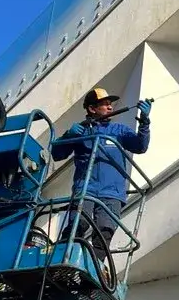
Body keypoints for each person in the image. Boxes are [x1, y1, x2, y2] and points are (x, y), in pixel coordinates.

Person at [50, 87, 152, 266]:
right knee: (78, 225)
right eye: (105, 104)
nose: (110, 107)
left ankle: (93, 268)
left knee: (105, 231)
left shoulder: (118, 130)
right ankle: (61, 261)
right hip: (86, 189)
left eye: (110, 104)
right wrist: (68, 135)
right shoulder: (81, 131)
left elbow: (140, 146)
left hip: (112, 193)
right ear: (92, 109)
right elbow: (57, 154)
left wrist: (144, 123)